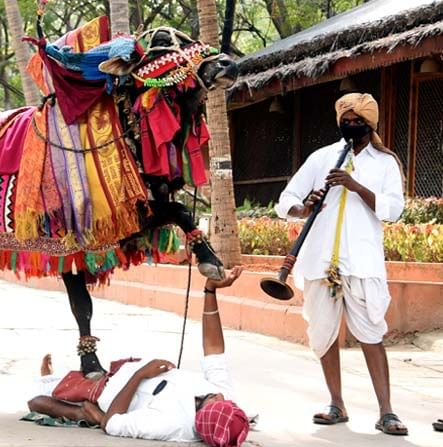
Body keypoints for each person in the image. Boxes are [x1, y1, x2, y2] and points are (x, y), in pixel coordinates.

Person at [275, 93, 407, 436]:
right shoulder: (322, 158)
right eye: (345, 120)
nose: (350, 125)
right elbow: (284, 201)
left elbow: (393, 210)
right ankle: (336, 403)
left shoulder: (385, 163)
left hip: (361, 263)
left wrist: (354, 185)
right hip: (320, 262)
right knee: (324, 334)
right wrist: (304, 207)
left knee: (371, 335)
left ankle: (387, 412)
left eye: (357, 121)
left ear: (369, 124)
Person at [28, 267, 250, 446]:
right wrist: (210, 291)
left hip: (108, 393)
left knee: (38, 399)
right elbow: (214, 349)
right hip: (127, 367)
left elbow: (113, 424)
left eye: (216, 402)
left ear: (202, 413)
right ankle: (63, 382)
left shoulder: (170, 425)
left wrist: (141, 375)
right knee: (80, 378)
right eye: (225, 402)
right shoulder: (224, 398)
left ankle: (75, 406)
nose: (220, 397)